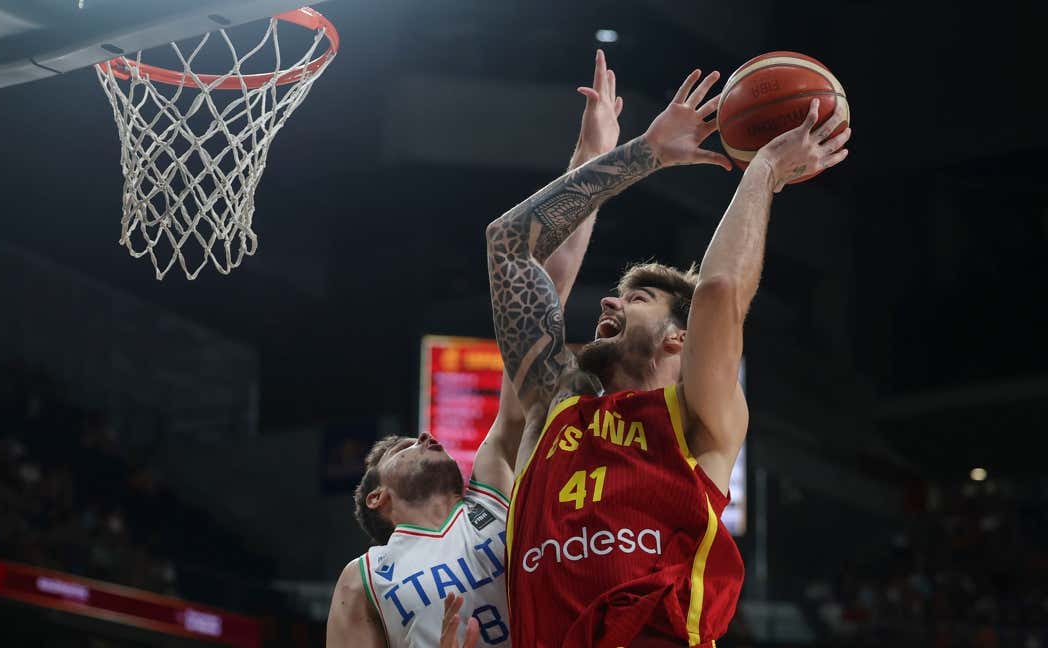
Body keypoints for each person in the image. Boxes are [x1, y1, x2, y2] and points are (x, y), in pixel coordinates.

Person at [485, 60, 850, 647]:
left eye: (639, 297)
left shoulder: (700, 416)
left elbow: (718, 292)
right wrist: (641, 152)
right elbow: (509, 246)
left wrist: (763, 172)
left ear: (678, 336)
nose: (607, 300)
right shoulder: (552, 406)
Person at [325, 51, 628, 648]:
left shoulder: (493, 484)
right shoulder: (365, 579)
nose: (429, 436)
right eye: (403, 445)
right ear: (378, 498)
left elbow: (541, 297)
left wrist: (593, 161)